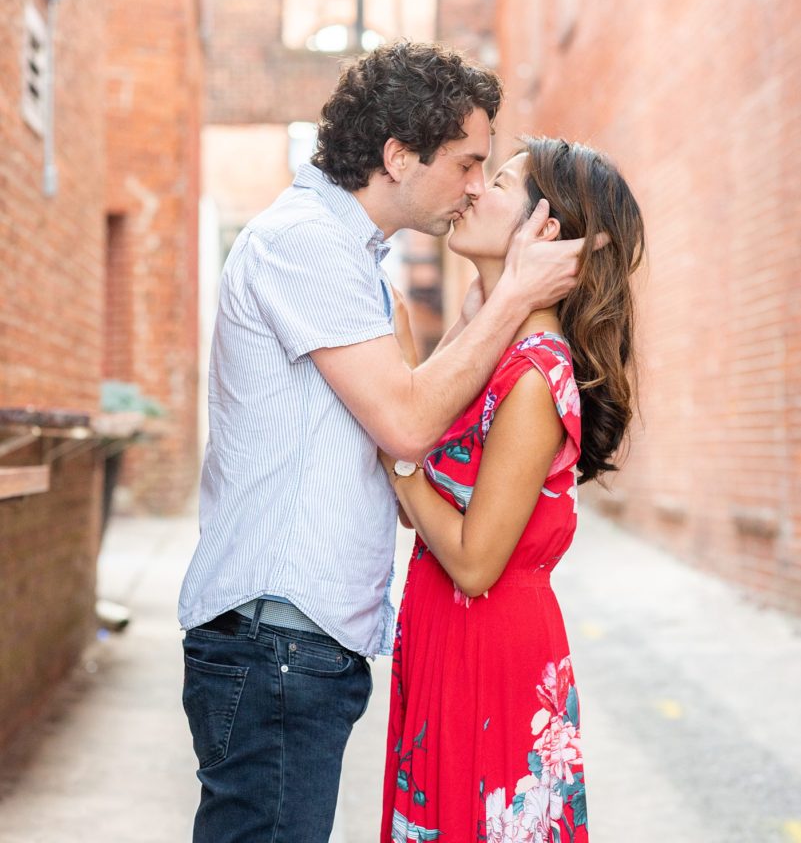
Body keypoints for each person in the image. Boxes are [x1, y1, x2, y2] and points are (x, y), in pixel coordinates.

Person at [178, 42, 594, 843]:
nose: (475, 185)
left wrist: (483, 314)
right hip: (277, 642)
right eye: (469, 163)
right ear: (398, 156)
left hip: (298, 644)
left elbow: (409, 435)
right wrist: (508, 298)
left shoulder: (351, 260)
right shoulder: (306, 244)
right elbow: (404, 425)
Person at [381, 136, 645, 843]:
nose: (471, 189)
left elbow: (473, 560)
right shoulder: (495, 352)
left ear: (543, 228)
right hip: (447, 637)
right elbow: (427, 512)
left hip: (488, 651)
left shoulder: (533, 373)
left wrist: (397, 458)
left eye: (496, 181)